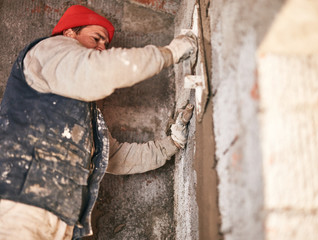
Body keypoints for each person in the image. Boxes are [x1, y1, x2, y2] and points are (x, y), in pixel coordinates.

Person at [0, 5, 197, 240]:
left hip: (59, 220)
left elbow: (114, 158)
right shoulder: (46, 52)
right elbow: (99, 68)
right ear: (69, 33)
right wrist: (171, 53)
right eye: (96, 38)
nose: (102, 47)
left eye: (105, 44)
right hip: (18, 206)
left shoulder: (81, 113)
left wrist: (172, 144)